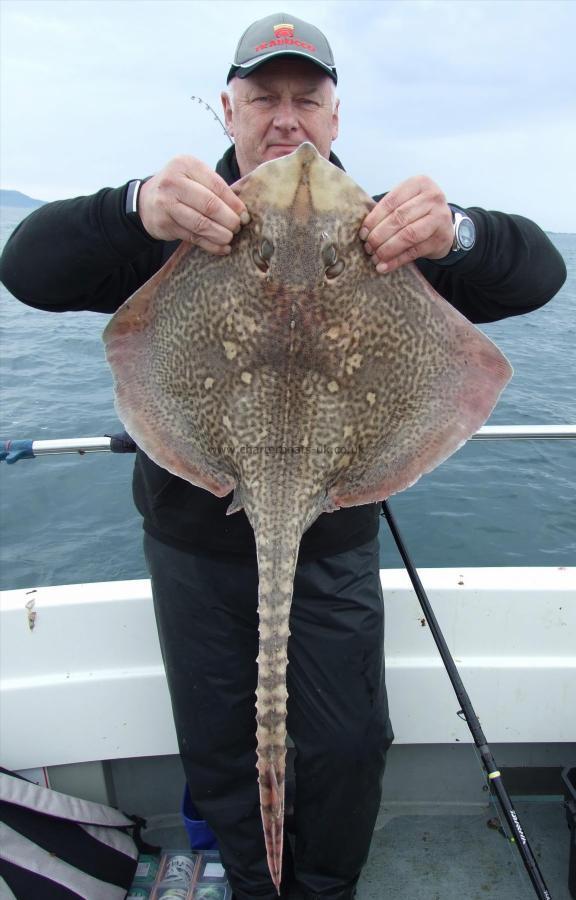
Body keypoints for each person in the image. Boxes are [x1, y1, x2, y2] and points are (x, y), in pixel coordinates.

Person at [0, 12, 567, 900]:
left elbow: (538, 275)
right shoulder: (183, 220)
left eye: (309, 98)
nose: (287, 118)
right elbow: (26, 267)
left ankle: (327, 888)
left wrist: (453, 229)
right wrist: (132, 206)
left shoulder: (382, 229)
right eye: (265, 97)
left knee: (345, 743)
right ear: (228, 110)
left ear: (336, 118)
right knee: (223, 743)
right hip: (191, 545)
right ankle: (258, 889)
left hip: (334, 537)